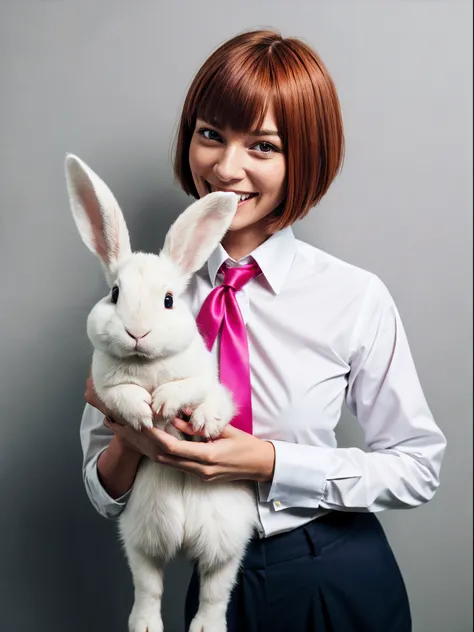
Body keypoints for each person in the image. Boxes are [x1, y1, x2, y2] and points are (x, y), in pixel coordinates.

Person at [80, 29, 447, 632]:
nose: (227, 168)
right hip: (217, 583)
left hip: (331, 571)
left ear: (304, 156)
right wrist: (128, 437)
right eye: (211, 135)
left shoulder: (353, 297)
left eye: (264, 146)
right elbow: (102, 491)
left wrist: (271, 463)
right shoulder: (146, 301)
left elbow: (417, 466)